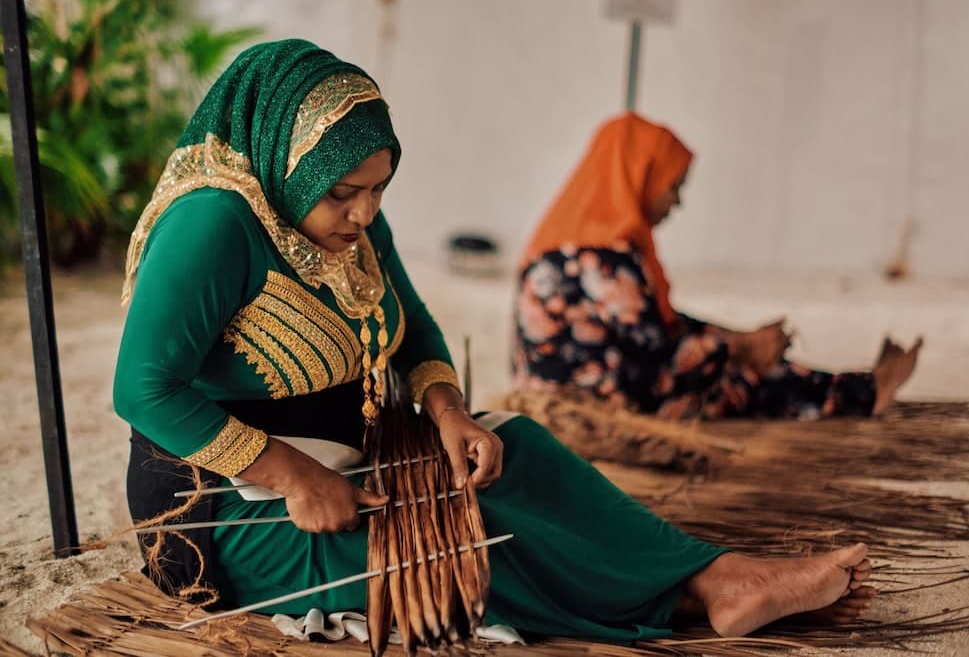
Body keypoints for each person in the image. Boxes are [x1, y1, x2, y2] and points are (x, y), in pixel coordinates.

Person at [113, 40, 875, 643]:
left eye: (379, 189)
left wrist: (448, 412)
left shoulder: (357, 218)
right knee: (441, 544)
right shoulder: (213, 225)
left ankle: (717, 571)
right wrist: (292, 476)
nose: (364, 214)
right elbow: (141, 389)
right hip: (222, 502)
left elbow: (413, 325)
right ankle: (687, 598)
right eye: (344, 193)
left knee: (522, 453)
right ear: (283, 157)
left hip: (353, 453)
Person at [514, 114, 921, 420]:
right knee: (744, 380)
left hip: (594, 387)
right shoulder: (603, 261)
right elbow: (663, 362)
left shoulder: (573, 243)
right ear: (638, 178)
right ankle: (862, 395)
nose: (675, 202)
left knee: (735, 360)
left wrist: (738, 338)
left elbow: (657, 330)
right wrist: (742, 348)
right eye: (672, 187)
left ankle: (861, 387)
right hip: (603, 406)